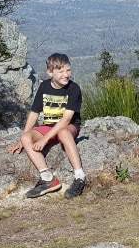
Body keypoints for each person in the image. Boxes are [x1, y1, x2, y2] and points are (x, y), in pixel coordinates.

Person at [8, 53, 87, 198]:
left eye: (68, 70)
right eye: (61, 71)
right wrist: (22, 139)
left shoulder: (73, 88)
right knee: (26, 138)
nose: (66, 74)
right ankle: (48, 179)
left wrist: (44, 140)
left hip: (68, 126)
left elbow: (66, 120)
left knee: (63, 132)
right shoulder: (44, 86)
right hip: (49, 126)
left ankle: (80, 176)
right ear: (50, 72)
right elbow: (34, 113)